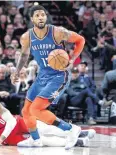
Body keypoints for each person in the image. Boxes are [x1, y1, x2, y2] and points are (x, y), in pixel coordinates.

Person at [11, 5, 85, 149]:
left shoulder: (58, 32)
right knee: (26, 110)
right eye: (37, 15)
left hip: (59, 75)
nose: (41, 17)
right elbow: (25, 54)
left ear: (46, 17)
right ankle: (36, 140)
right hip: (42, 75)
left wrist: (73, 59)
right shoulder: (27, 37)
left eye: (43, 15)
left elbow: (80, 40)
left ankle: (71, 129)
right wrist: (17, 71)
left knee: (36, 109)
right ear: (32, 19)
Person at [0, 90, 95, 147]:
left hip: (16, 124)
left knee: (46, 128)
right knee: (42, 141)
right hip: (10, 138)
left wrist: (1, 137)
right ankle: (79, 141)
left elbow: (11, 120)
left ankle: (80, 132)